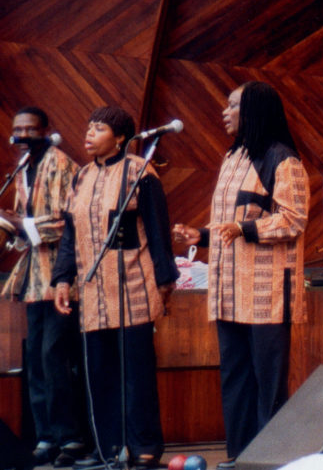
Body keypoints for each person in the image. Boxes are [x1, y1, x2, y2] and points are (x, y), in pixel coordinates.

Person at [173, 82, 308, 468]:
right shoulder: (232, 158)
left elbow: (293, 219)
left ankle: (271, 459)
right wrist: (200, 235)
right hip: (229, 290)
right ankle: (241, 456)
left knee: (268, 385)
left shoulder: (284, 161)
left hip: (266, 294)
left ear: (254, 111)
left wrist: (245, 230)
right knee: (235, 377)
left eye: (233, 105)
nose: (224, 112)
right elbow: (228, 223)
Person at [50, 106, 178, 469]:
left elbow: (157, 229)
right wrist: (62, 278)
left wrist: (165, 278)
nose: (89, 133)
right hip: (92, 294)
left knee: (136, 373)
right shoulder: (81, 176)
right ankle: (109, 449)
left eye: (100, 128)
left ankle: (145, 447)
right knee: (100, 373)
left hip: (133, 286)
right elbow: (71, 235)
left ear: (120, 138)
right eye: (89, 126)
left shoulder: (140, 172)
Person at [0, 108, 86, 467]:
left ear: (46, 131)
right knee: (35, 359)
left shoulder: (62, 164)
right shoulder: (22, 167)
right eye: (17, 128)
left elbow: (70, 221)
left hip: (61, 278)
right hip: (33, 278)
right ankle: (45, 435)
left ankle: (70, 437)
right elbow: (23, 226)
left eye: (29, 128)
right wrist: (12, 228)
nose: (22, 134)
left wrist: (21, 224)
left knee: (55, 358)